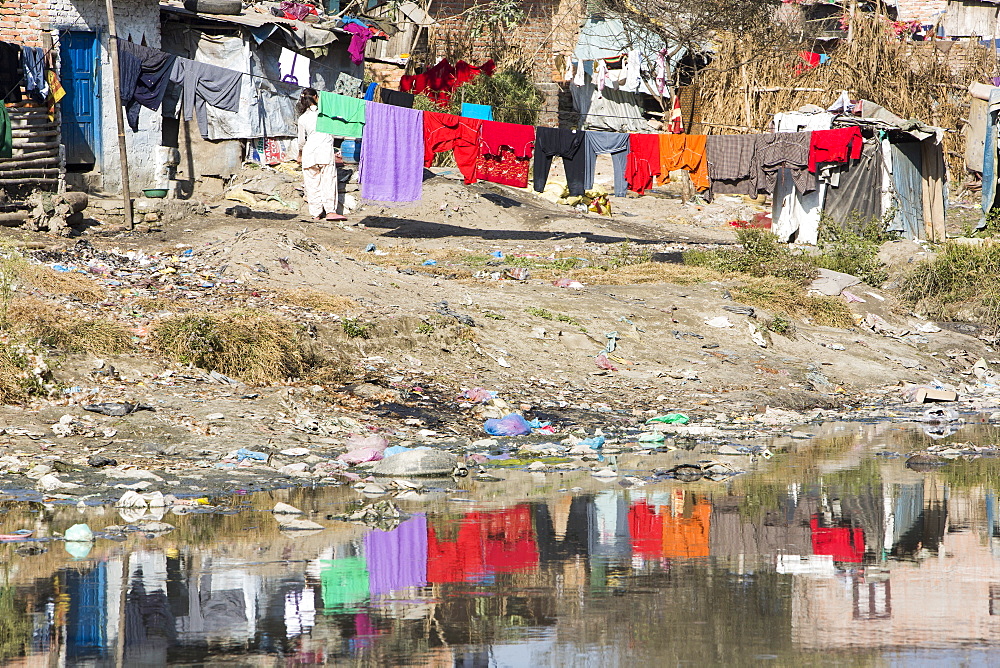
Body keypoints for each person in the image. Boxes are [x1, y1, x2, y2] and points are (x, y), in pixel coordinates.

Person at [296, 88, 346, 221]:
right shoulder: (325, 114)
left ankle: (316, 213)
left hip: (309, 153)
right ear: (316, 97)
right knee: (328, 181)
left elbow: (301, 141)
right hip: (324, 151)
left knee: (312, 184)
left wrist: (300, 155)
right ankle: (330, 211)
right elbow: (337, 132)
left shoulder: (302, 118)